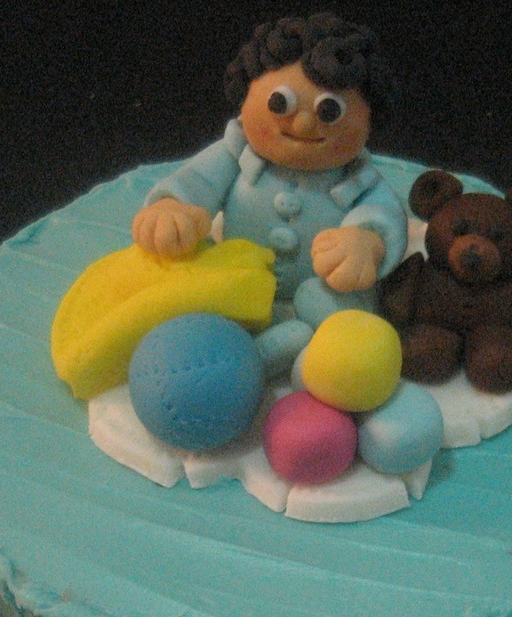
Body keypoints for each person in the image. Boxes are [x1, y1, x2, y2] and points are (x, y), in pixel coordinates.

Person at [132, 13, 408, 374]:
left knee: (334, 314)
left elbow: (383, 213)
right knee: (196, 292)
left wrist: (367, 241)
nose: (304, 124)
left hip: (322, 294)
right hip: (238, 286)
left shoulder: (359, 177)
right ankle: (232, 353)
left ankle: (316, 363)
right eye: (281, 104)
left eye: (329, 110)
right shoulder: (235, 152)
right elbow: (198, 180)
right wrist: (173, 206)